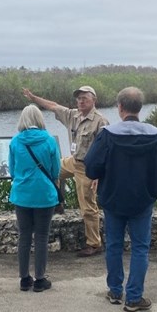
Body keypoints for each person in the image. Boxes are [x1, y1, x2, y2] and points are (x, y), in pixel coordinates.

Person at [84, 87, 157, 312]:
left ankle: (115, 292)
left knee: (114, 245)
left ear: (120, 107)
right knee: (140, 248)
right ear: (139, 108)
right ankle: (134, 298)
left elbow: (91, 166)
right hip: (143, 200)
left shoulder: (108, 134)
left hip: (113, 199)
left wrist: (100, 177)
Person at [22, 85, 109, 257]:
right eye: (78, 98)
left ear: (94, 100)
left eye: (84, 98)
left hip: (88, 168)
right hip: (73, 161)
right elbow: (53, 105)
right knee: (49, 170)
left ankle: (94, 244)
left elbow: (106, 150)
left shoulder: (101, 122)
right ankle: (57, 203)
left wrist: (98, 173)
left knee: (88, 207)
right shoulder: (72, 115)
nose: (80, 101)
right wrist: (33, 98)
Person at [8, 104, 61, 292]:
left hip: (22, 195)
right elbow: (56, 170)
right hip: (44, 195)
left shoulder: (15, 142)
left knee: (24, 236)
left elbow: (13, 171)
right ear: (40, 119)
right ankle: (40, 279)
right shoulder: (49, 140)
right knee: (41, 236)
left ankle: (24, 278)